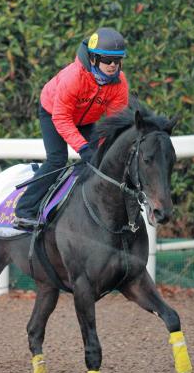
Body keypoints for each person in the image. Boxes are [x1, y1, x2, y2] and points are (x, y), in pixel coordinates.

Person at [14, 27, 129, 230]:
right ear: (93, 58)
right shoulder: (73, 77)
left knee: (99, 161)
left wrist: (102, 150)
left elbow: (114, 124)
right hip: (54, 113)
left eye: (117, 60)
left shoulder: (120, 83)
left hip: (85, 119)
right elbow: (62, 118)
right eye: (107, 59)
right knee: (57, 160)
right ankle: (24, 210)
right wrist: (83, 148)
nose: (113, 65)